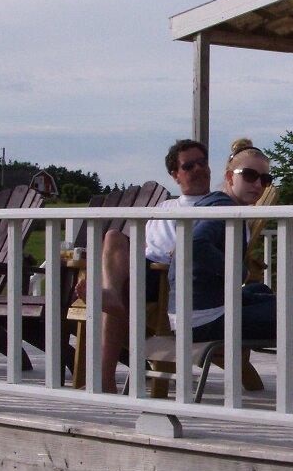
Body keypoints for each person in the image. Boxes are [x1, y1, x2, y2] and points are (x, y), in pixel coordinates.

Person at [85, 139, 210, 393]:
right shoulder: (163, 207)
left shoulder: (217, 206)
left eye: (202, 162)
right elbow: (144, 245)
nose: (198, 168)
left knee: (112, 295)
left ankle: (103, 380)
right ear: (175, 175)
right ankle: (110, 292)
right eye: (189, 166)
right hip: (141, 269)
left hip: (168, 279)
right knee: (113, 237)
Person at [179, 138, 293, 344]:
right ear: (230, 177)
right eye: (249, 176)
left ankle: (288, 327)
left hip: (192, 311)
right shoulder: (224, 209)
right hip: (205, 320)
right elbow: (193, 244)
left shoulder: (211, 202)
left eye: (265, 179)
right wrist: (240, 272)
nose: (258, 185)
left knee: (261, 291)